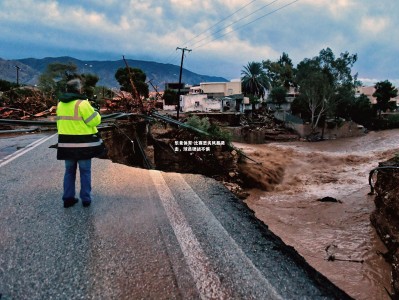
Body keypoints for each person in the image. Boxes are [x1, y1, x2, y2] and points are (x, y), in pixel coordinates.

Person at [56, 79, 104, 208]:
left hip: (66, 144)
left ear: (67, 90)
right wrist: (96, 112)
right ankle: (86, 199)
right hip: (83, 145)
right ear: (79, 90)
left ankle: (68, 198)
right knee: (85, 172)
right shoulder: (82, 104)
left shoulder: (60, 104)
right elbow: (94, 122)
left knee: (69, 172)